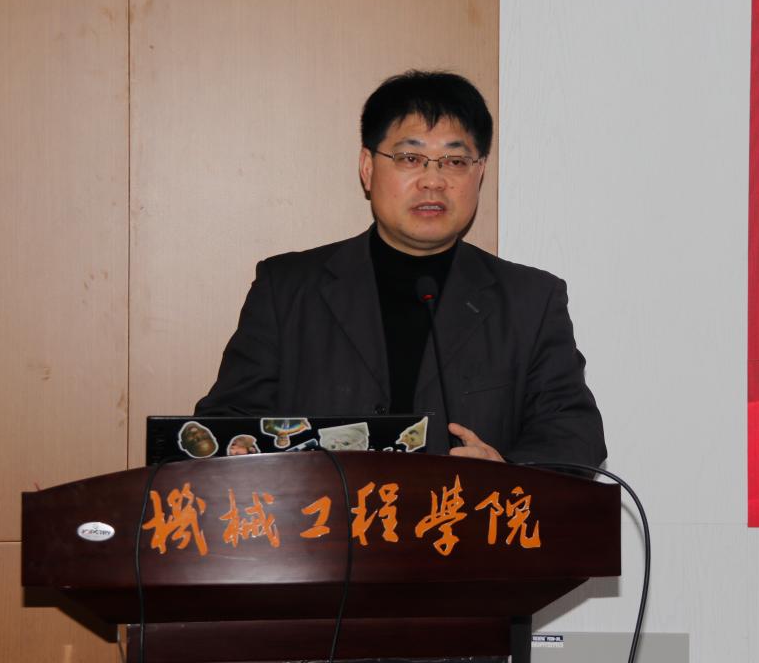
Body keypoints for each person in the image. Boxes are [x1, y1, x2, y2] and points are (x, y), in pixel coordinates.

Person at [195, 71, 606, 467]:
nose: (433, 181)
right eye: (411, 158)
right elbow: (225, 424)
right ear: (367, 167)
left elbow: (575, 433)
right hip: (322, 515)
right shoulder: (286, 289)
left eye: (455, 161)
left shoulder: (530, 301)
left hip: (462, 517)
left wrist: (507, 472)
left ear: (479, 173)